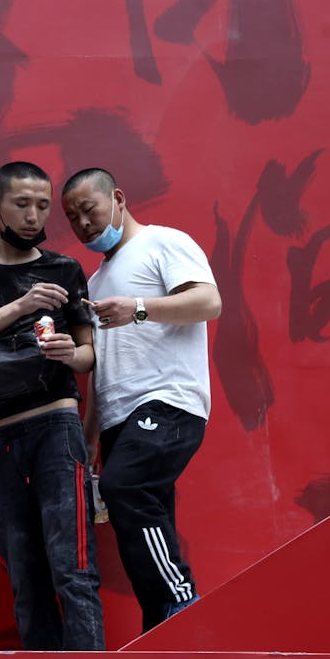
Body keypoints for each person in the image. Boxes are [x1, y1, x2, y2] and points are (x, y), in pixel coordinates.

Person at [0, 161, 103, 650]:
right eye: (21, 203)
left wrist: (70, 354)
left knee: (73, 569)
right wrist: (21, 306)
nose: (34, 215)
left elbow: (90, 355)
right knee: (25, 579)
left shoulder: (64, 268)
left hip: (56, 427)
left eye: (42, 205)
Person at [60, 168, 221, 632]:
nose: (83, 224)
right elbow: (104, 365)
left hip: (169, 402)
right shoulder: (93, 282)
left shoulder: (162, 243)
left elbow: (209, 303)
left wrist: (141, 308)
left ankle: (181, 602)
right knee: (144, 519)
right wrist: (89, 435)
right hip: (117, 419)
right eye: (73, 218)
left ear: (118, 198)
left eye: (88, 209)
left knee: (125, 487)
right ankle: (165, 627)